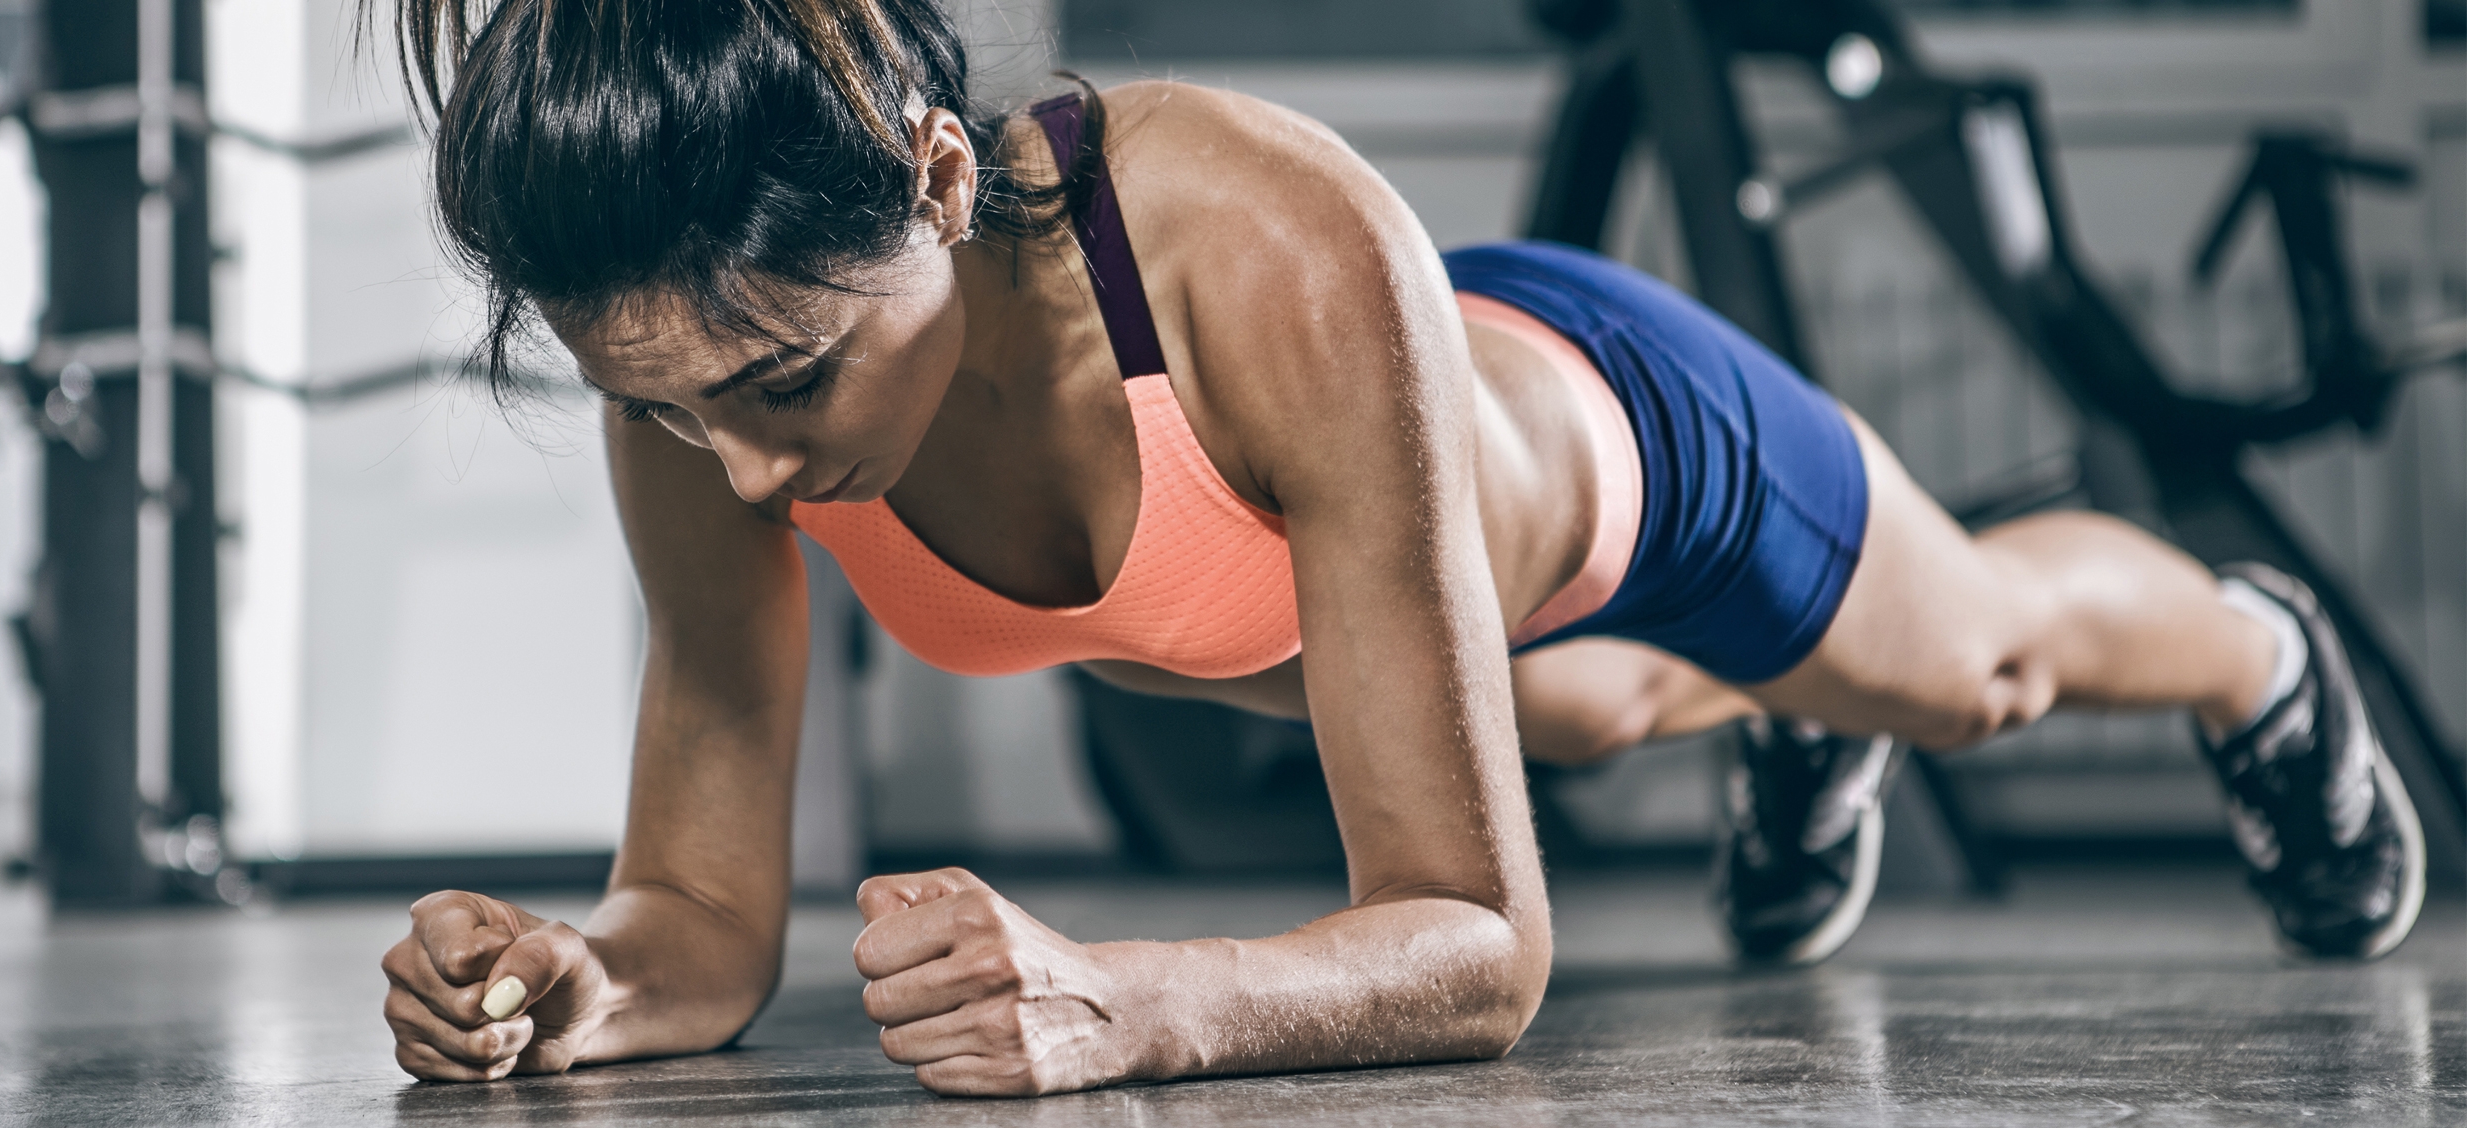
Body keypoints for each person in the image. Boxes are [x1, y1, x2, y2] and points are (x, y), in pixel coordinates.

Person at [371, 0, 2426, 1096]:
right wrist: (589, 979)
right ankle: (1783, 720)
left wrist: (1138, 1006)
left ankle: (2259, 655)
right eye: (660, 406)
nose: (735, 477)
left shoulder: (1257, 242)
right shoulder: (707, 365)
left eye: (787, 388)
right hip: (1434, 591)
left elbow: (1471, 935)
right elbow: (702, 915)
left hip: (1621, 446)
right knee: (1597, 720)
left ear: (927, 177)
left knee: (1973, 668)